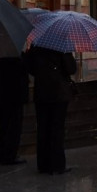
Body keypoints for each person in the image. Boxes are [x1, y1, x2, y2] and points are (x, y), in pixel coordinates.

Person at [24, 44, 77, 174]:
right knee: (57, 128)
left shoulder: (36, 45)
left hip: (41, 91)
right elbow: (70, 68)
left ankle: (43, 163)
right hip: (59, 92)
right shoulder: (62, 44)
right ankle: (57, 165)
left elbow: (29, 67)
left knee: (43, 128)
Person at [0, 55, 29, 165]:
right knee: (13, 126)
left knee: (5, 125)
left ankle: (2, 153)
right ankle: (9, 155)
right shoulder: (13, 53)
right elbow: (21, 67)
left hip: (2, 93)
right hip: (14, 93)